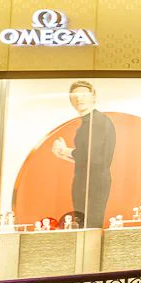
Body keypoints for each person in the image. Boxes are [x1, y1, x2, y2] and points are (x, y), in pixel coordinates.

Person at [52, 80, 117, 229]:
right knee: (84, 224)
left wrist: (65, 150)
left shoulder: (98, 121)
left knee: (90, 225)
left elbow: (92, 155)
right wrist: (64, 155)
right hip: (86, 182)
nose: (78, 99)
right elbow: (88, 159)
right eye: (74, 96)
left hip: (93, 184)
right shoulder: (88, 122)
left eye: (82, 95)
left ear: (93, 96)